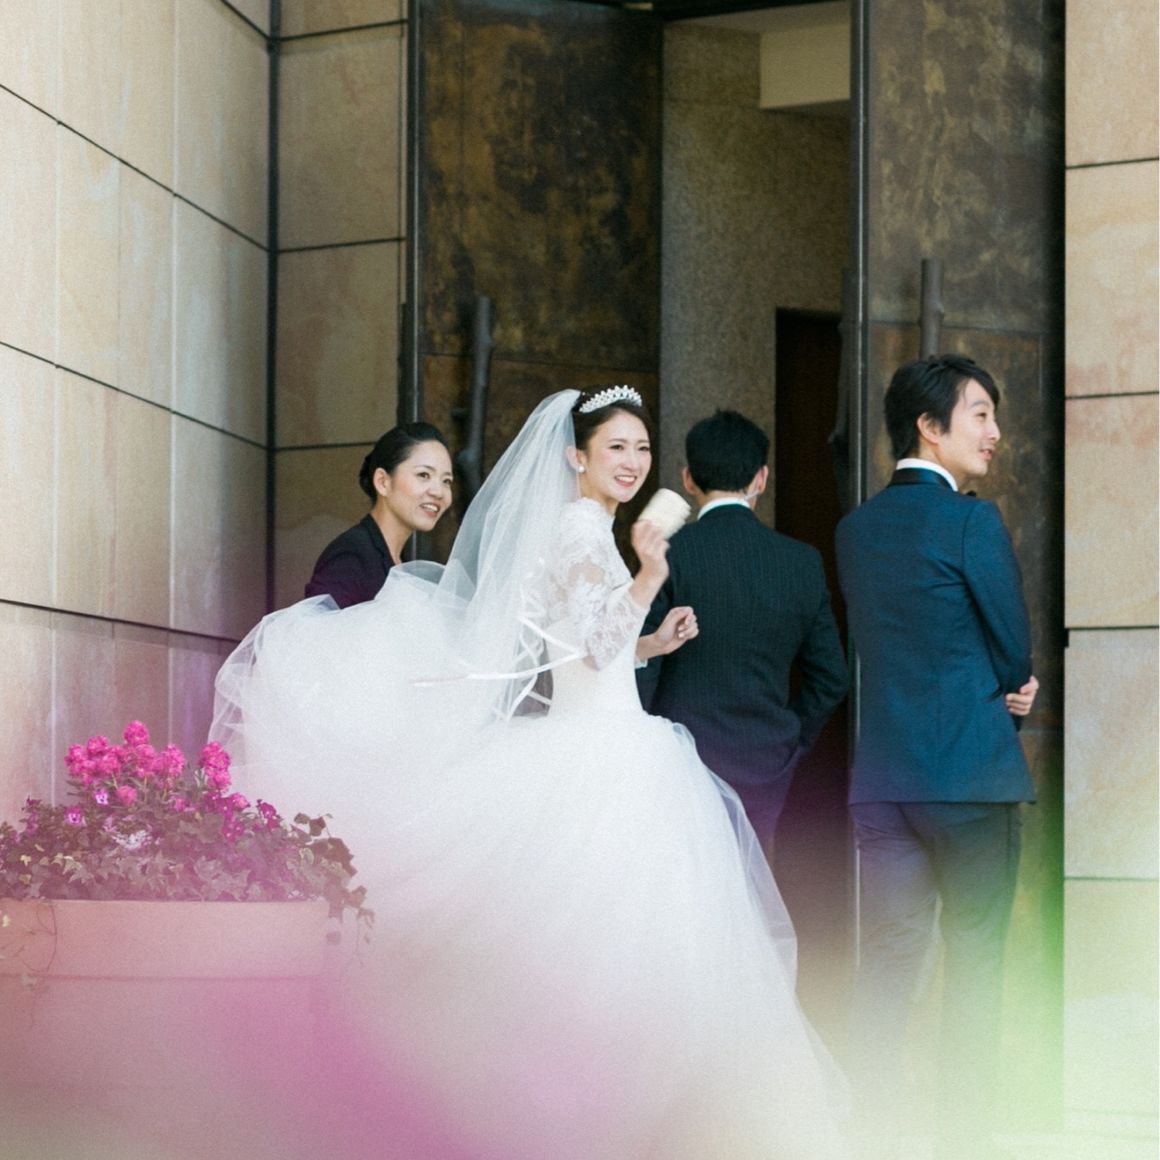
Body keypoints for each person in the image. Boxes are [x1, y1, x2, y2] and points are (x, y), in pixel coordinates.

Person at [213, 386, 850, 1160]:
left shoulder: (588, 530)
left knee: (618, 945)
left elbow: (585, 645)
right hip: (602, 749)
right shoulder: (580, 530)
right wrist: (649, 576)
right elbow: (591, 648)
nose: (632, 461)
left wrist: (653, 644)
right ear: (577, 456)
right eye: (615, 447)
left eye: (642, 448)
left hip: (611, 737)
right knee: (619, 948)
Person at [834, 355, 1039, 1160]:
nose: (995, 432)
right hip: (970, 778)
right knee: (976, 959)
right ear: (929, 425)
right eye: (980, 413)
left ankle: (873, 1132)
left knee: (889, 962)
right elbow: (1013, 650)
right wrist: (1012, 686)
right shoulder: (970, 523)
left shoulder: (855, 530)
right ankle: (965, 1139)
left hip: (883, 781)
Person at [638, 409, 847, 850]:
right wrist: (791, 738)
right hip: (767, 760)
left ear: (688, 478)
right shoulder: (802, 562)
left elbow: (645, 664)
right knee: (752, 881)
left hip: (682, 761)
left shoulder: (669, 555)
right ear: (761, 478)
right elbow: (832, 676)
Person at [304, 422, 453, 608]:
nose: (438, 492)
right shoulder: (352, 555)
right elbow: (315, 623)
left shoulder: (400, 561)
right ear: (383, 482)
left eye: (446, 481)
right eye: (423, 475)